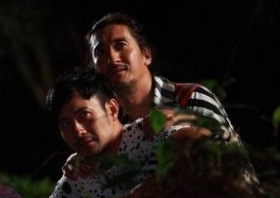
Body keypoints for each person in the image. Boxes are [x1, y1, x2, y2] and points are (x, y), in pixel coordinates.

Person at [33, 67, 201, 198]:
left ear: (112, 109)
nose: (77, 130)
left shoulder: (148, 135)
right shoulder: (78, 172)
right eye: (66, 124)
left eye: (84, 115)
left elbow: (198, 142)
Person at [84, 12, 240, 144]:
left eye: (120, 45)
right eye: (100, 52)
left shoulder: (191, 97)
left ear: (146, 55)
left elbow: (234, 158)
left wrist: (188, 131)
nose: (112, 58)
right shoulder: (108, 127)